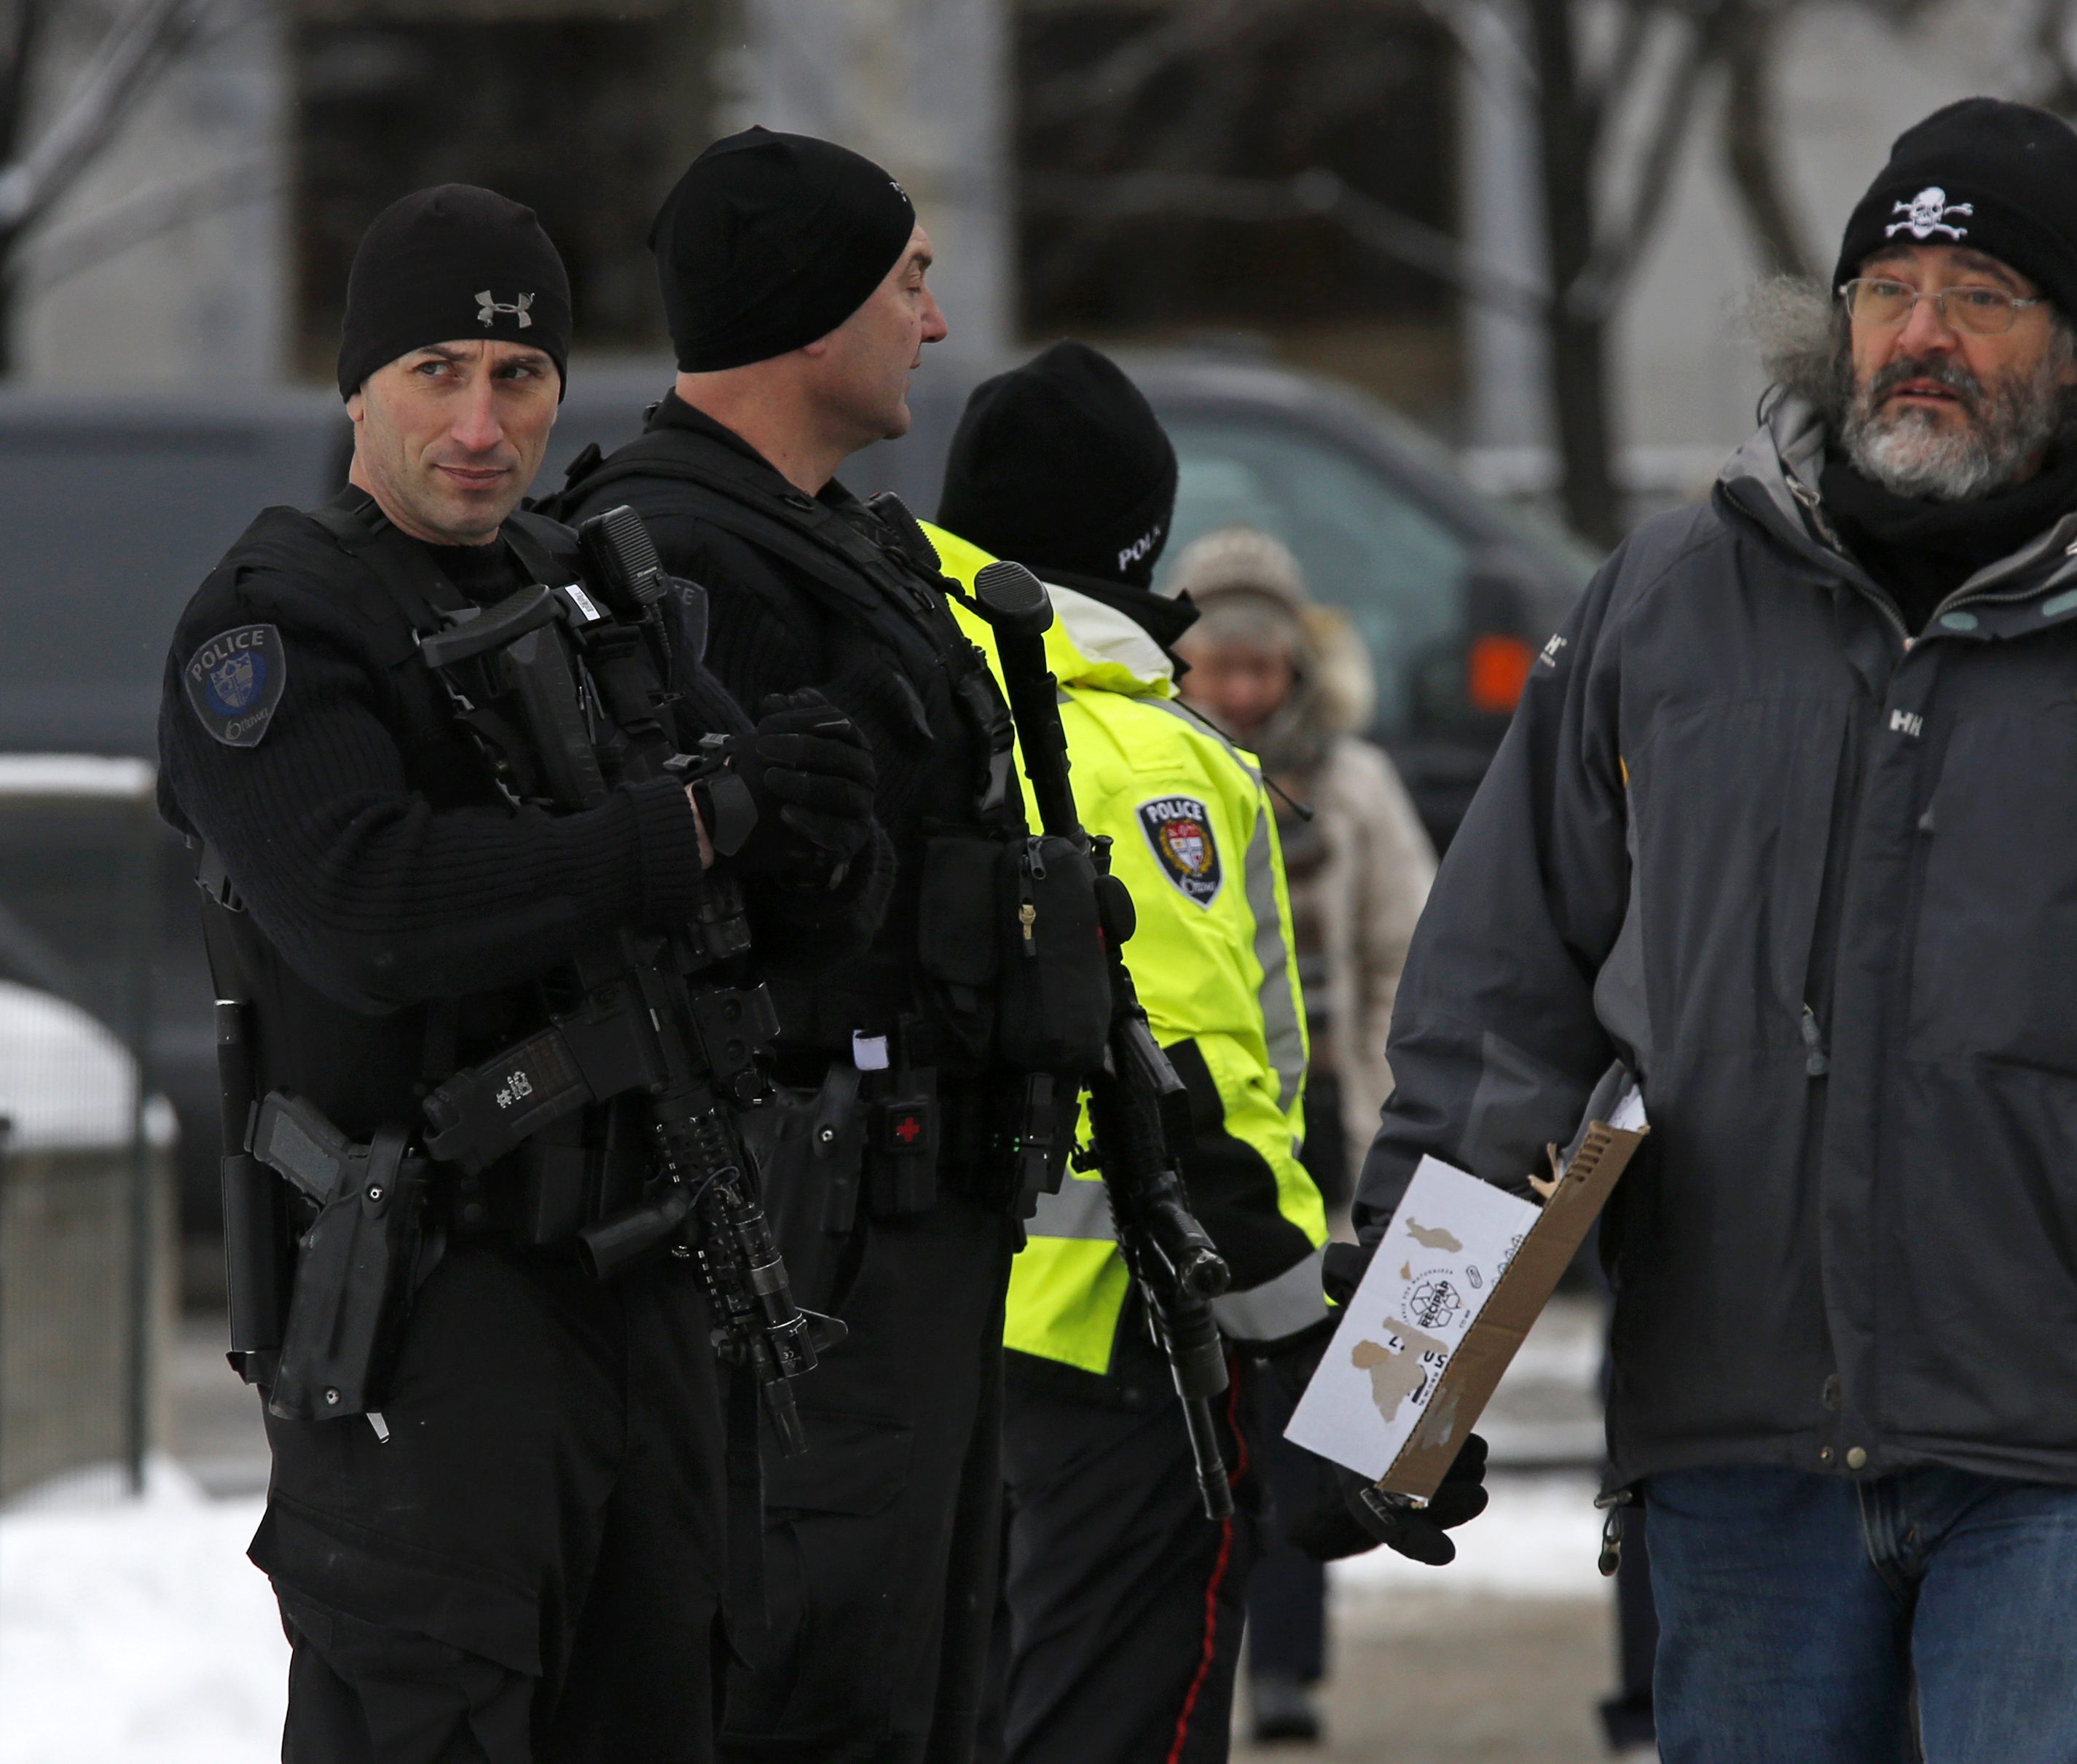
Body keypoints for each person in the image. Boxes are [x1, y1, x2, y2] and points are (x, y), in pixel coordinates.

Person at [1354, 97, 2077, 1763]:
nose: (1921, 335)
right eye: (1888, 288)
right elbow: (1502, 1009)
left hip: (2063, 1441)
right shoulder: (1661, 608)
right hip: (1737, 1434)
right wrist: (1399, 1374)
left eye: (1982, 292)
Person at [160, 185, 881, 1764]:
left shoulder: (584, 585)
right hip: (435, 1316)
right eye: (435, 372)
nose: (481, 423)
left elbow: (741, 870)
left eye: (521, 378)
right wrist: (688, 822)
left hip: (646, 1283)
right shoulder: (276, 624)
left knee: (670, 1696)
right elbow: (370, 904)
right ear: (357, 386)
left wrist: (803, 821)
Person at [549, 128, 1034, 1762]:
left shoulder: (827, 537)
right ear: (813, 310)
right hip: (809, 1244)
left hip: (911, 1227)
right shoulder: (680, 562)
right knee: (821, 1686)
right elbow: (705, 936)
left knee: (929, 1683)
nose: (936, 324)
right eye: (908, 282)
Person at [927, 340, 1329, 1764]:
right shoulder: (1142, 753)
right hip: (1128, 1340)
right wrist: (1300, 1338)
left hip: (935, 1335)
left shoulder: (912, 685)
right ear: (1136, 541)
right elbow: (1189, 1071)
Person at [1165, 525, 1438, 1746]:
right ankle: (1222, 1653)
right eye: (1214, 664)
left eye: (1258, 666)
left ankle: (1289, 1667)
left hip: (1329, 1130)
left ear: (1294, 670)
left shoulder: (1359, 787)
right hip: (1212, 1139)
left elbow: (1406, 958)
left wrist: (1386, 1122)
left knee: (1313, 1412)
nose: (1236, 690)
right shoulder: (1156, 772)